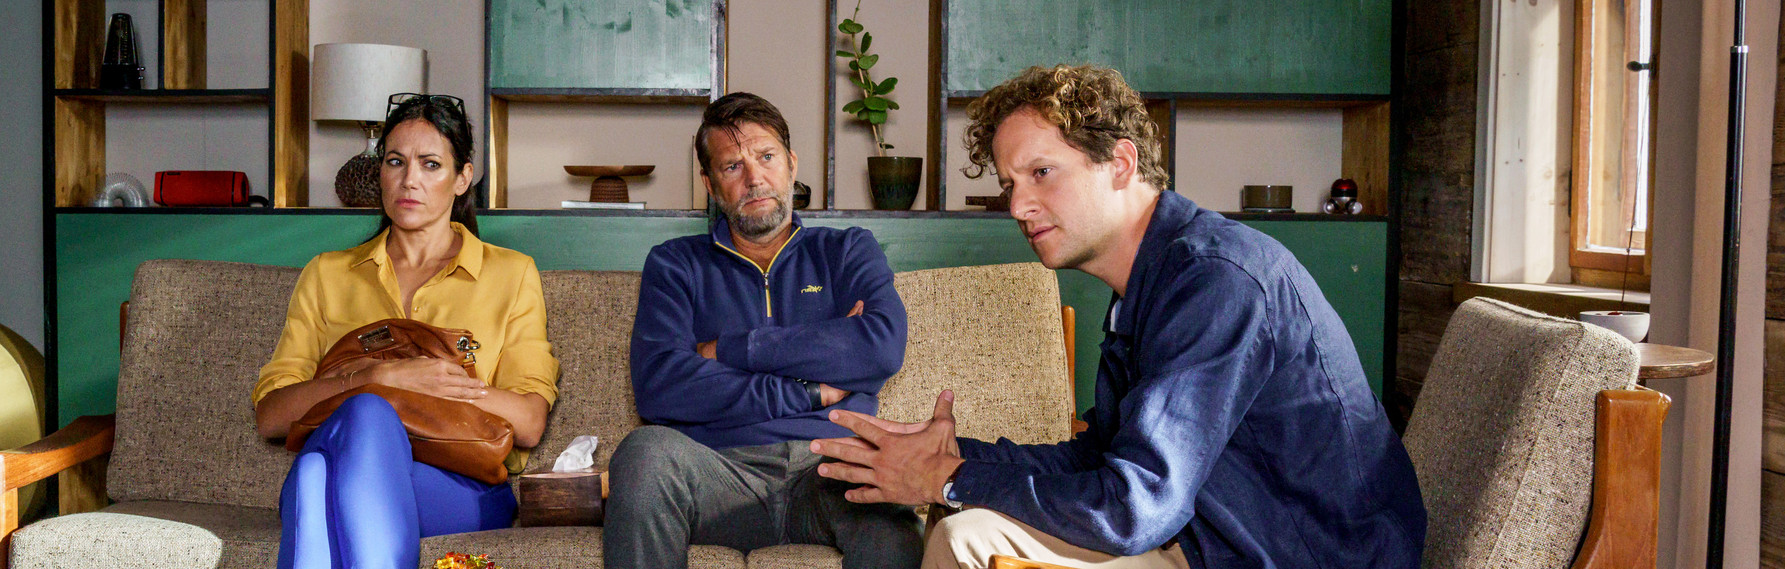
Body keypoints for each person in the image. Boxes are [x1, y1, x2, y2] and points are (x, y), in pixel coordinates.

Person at [809, 65, 1427, 569]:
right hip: (1210, 535)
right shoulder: (1150, 281)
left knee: (964, 537)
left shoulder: (1215, 281)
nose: (1019, 205)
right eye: (1010, 184)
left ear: (1121, 164)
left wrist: (948, 479)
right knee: (970, 528)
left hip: (1302, 555)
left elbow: (1134, 506)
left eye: (1041, 173)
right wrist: (954, 455)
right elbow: (1102, 459)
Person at [603, 92, 922, 569]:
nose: (754, 179)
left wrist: (729, 349)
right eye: (732, 166)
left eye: (767, 157)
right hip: (716, 471)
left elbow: (880, 347)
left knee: (886, 496)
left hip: (830, 468)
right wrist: (809, 391)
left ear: (791, 164)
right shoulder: (675, 264)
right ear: (710, 184)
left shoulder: (847, 251)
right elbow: (660, 385)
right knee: (644, 454)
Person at [253, 93, 559, 569]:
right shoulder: (327, 273)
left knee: (315, 477)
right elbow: (272, 415)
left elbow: (529, 421)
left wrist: (435, 383)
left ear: (463, 178)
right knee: (363, 416)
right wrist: (377, 380)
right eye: (395, 162)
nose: (409, 179)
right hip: (349, 460)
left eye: (431, 164)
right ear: (380, 172)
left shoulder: (511, 273)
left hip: (460, 484)